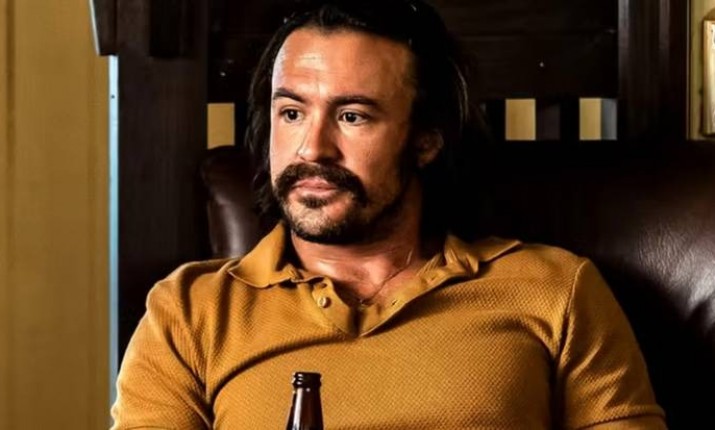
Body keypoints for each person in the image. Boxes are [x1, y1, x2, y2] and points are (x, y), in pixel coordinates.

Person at [111, 0, 667, 428]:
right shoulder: (190, 311)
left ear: (425, 139)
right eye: (292, 112)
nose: (312, 148)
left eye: (352, 116)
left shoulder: (555, 291)